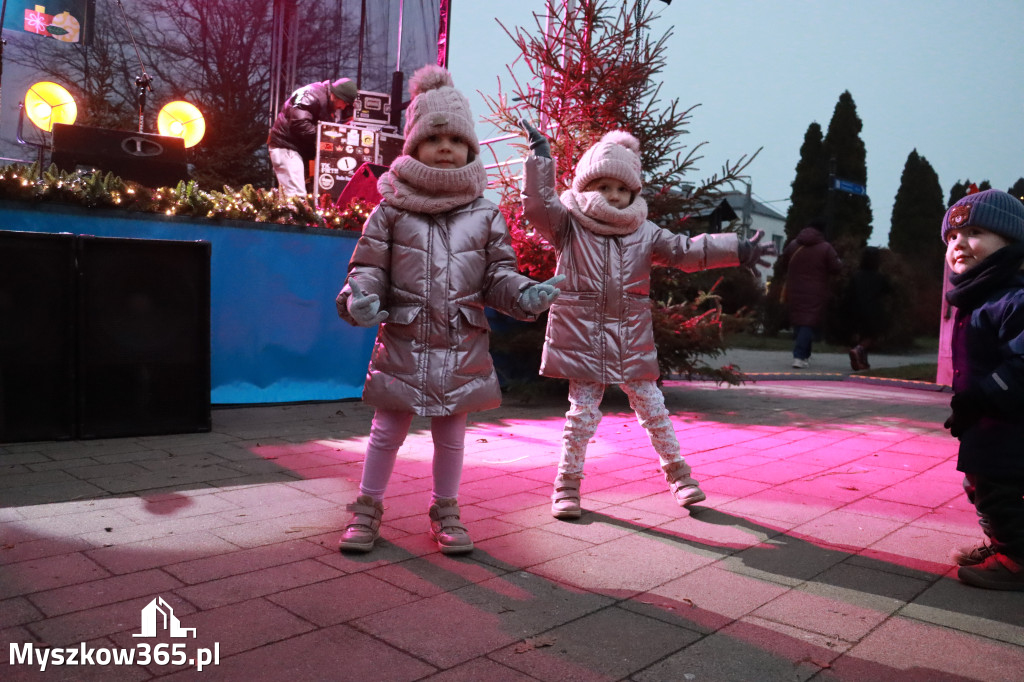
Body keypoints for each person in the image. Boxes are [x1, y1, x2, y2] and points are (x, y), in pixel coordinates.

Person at [334, 66, 563, 555]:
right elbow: (368, 267)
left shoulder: (485, 212)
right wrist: (360, 298)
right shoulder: (391, 209)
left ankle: (446, 509)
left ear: (470, 149)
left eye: (455, 139)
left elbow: (497, 275)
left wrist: (525, 294)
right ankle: (368, 507)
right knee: (386, 431)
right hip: (404, 337)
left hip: (461, 342)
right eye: (432, 137)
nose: (444, 147)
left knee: (452, 435)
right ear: (413, 147)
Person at [519, 121, 775, 518]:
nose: (614, 196)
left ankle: (679, 475)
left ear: (634, 192)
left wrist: (736, 248)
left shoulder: (644, 231)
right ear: (586, 188)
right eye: (604, 187)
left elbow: (685, 251)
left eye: (623, 189)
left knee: (653, 407)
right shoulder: (567, 222)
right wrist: (540, 159)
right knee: (581, 414)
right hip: (581, 335)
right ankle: (567, 485)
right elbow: (537, 204)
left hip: (630, 335)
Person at [940, 188, 1024, 591]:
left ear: (1009, 241)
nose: (960, 244)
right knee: (981, 485)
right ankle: (1004, 546)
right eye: (952, 237)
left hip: (1011, 426)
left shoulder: (1013, 298)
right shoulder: (977, 297)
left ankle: (1018, 559)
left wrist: (981, 397)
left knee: (998, 490)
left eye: (974, 232)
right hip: (988, 423)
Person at [267, 78, 358, 198]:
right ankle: (294, 216)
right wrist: (324, 137)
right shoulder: (311, 95)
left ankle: (286, 216)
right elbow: (299, 123)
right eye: (345, 102)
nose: (344, 107)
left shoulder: (324, 101)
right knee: (296, 196)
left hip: (290, 149)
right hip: (286, 148)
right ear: (338, 96)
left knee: (289, 197)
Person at [778, 218, 842, 368]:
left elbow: (783, 262)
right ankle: (799, 356)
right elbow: (836, 267)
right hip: (815, 290)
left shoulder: (793, 244)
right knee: (808, 322)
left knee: (801, 322)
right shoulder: (825, 248)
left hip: (794, 288)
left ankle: (805, 355)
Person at [842, 246, 891, 370]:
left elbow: (848, 293)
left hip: (855, 309)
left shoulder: (856, 276)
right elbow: (888, 291)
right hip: (873, 310)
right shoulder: (879, 277)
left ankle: (862, 361)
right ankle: (858, 350)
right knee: (872, 335)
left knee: (862, 334)